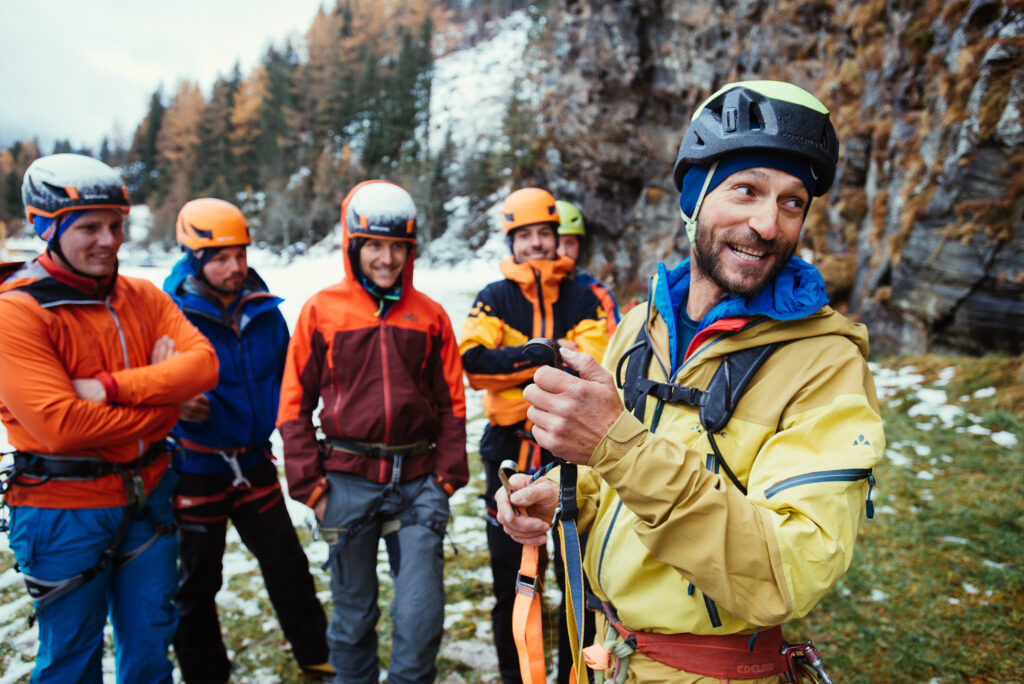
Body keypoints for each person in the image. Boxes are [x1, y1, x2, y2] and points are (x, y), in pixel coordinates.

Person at [496, 81, 886, 683]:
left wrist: (616, 446)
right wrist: (567, 498)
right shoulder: (639, 327)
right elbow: (619, 479)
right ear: (694, 198)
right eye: (746, 189)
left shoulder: (826, 364)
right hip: (604, 657)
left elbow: (789, 571)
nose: (767, 223)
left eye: (791, 202)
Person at [0, 153, 219, 682]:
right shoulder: (16, 312)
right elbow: (60, 426)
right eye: (90, 227)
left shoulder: (142, 295)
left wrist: (109, 389)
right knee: (71, 663)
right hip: (63, 511)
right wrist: (167, 405)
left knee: (149, 654)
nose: (109, 240)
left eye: (116, 225)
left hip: (148, 496)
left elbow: (204, 366)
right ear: (46, 228)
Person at [277, 180, 468, 684]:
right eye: (375, 246)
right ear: (353, 246)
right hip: (345, 482)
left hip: (418, 481)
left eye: (398, 247)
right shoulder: (320, 312)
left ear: (411, 249)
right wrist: (312, 489)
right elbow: (293, 406)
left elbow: (452, 404)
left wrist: (446, 478)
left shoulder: (430, 316)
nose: (387, 259)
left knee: (419, 615)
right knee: (354, 614)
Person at [163, 197, 332, 682]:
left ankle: (318, 655)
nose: (235, 266)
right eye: (219, 257)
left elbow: (292, 381)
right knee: (196, 585)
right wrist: (171, 407)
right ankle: (205, 674)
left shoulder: (264, 310)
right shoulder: (167, 313)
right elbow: (142, 382)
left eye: (240, 253)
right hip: (195, 466)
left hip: (255, 461)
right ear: (194, 258)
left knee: (288, 564)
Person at [459, 187, 608, 684]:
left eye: (545, 233)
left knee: (576, 581)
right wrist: (547, 352)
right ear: (512, 242)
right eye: (525, 237)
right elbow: (473, 364)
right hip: (508, 450)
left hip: (573, 450)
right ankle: (512, 674)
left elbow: (592, 365)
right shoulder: (494, 296)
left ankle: (575, 676)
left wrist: (516, 359)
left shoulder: (582, 294)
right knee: (510, 579)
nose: (537, 244)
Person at [555, 200, 621, 335]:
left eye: (570, 243)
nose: (563, 251)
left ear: (580, 245)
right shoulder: (521, 294)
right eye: (557, 243)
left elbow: (615, 343)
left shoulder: (598, 293)